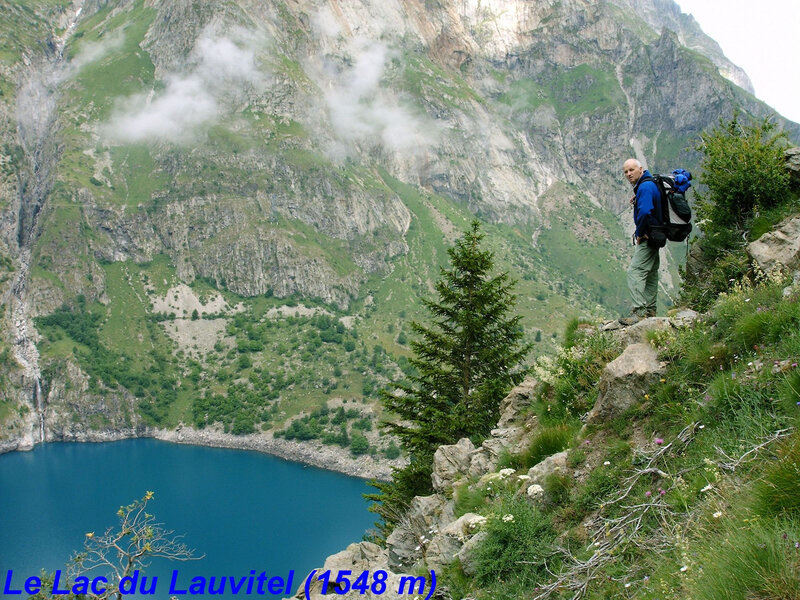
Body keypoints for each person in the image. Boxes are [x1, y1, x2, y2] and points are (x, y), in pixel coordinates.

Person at [619, 158, 662, 325]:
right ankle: (651, 310)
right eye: (626, 171)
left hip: (648, 236)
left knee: (634, 272)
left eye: (631, 170)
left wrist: (640, 233)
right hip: (657, 235)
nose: (629, 174)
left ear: (641, 169)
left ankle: (640, 312)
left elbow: (644, 212)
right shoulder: (649, 184)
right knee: (651, 273)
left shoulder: (644, 187)